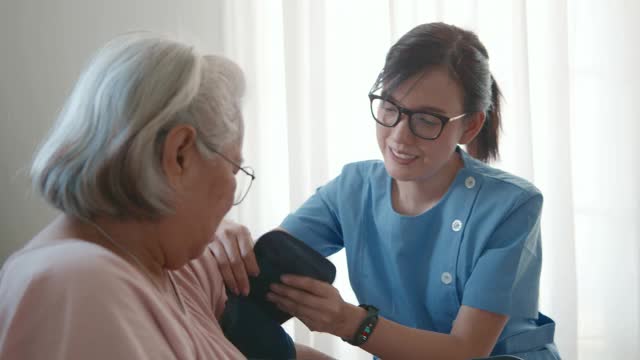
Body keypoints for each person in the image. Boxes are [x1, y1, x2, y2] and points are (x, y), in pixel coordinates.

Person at [212, 22, 561, 359]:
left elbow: (467, 350)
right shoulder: (352, 189)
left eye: (427, 119)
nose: (399, 136)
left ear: (470, 126)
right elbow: (270, 259)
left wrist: (348, 321)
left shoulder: (510, 206)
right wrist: (219, 235)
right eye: (390, 108)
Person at [0, 33, 302, 360]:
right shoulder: (76, 284)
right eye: (233, 169)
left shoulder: (170, 265)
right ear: (179, 155)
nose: (232, 197)